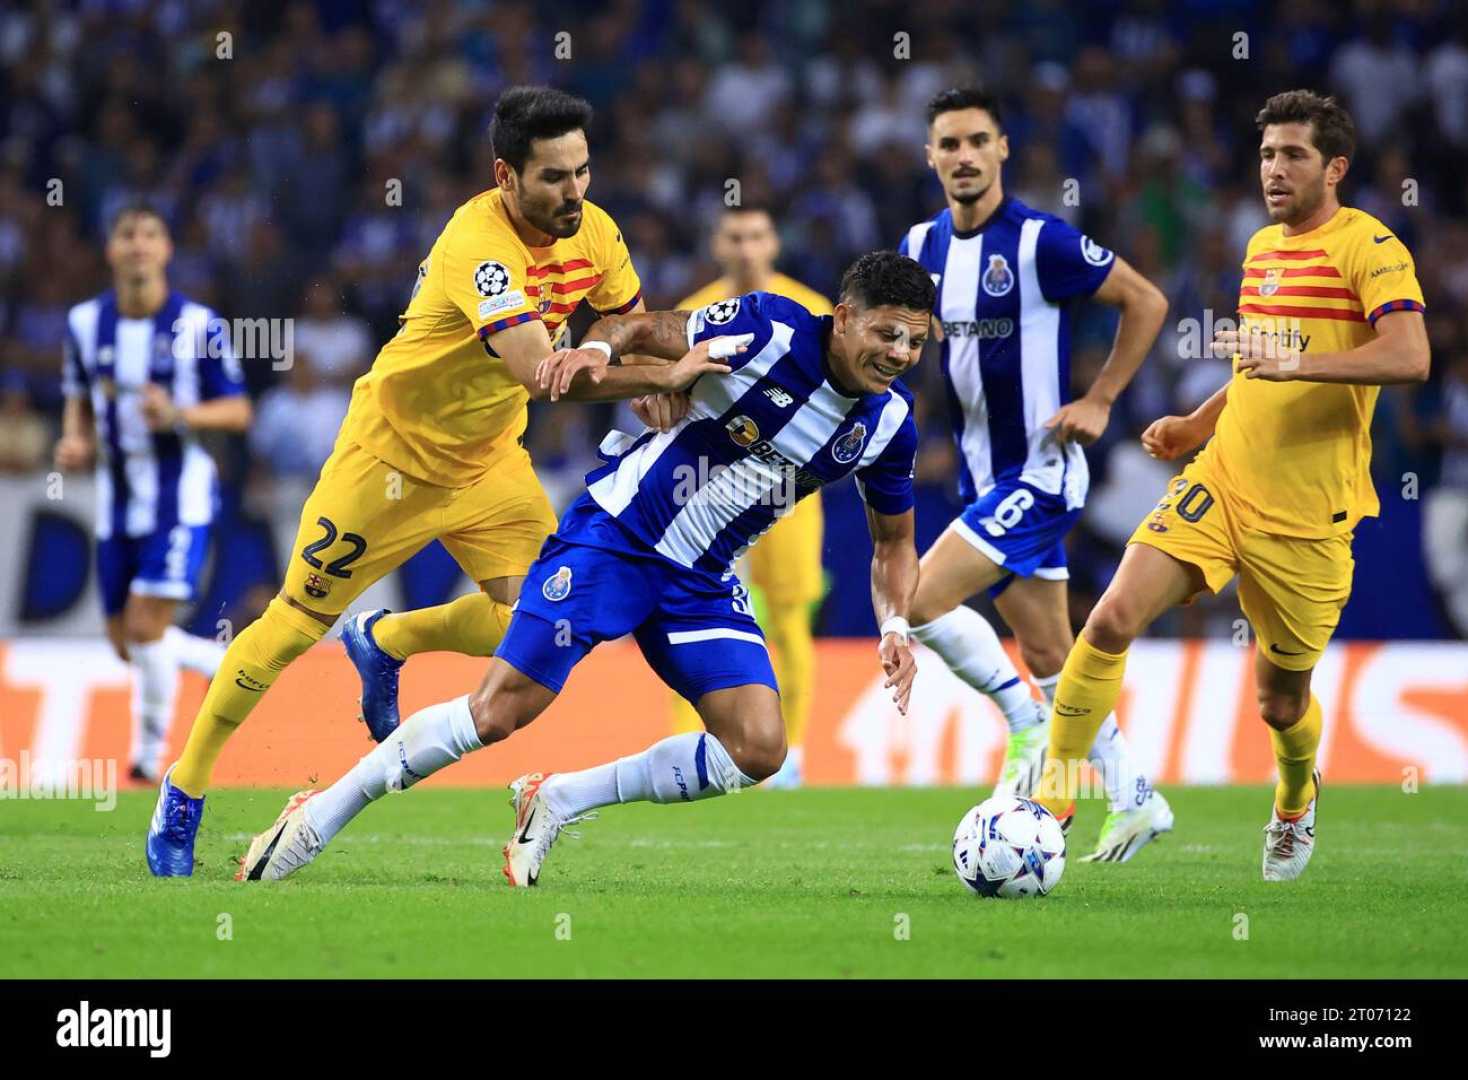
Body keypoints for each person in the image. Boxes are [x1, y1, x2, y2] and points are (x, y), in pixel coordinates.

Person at [235, 252, 932, 887]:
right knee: (499, 712)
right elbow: (644, 327)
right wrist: (604, 349)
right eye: (886, 334)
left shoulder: (889, 425)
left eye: (915, 341)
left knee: (757, 747)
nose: (899, 354)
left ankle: (560, 799)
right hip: (618, 539)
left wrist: (895, 623)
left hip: (702, 581)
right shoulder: (769, 331)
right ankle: (317, 815)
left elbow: (893, 543)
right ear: (844, 319)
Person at [148, 86, 687, 877]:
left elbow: (624, 321)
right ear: (506, 176)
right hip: (390, 461)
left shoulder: (596, 232)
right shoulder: (479, 244)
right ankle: (185, 787)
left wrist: (645, 370)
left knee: (544, 629)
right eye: (553, 178)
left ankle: (387, 638)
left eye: (582, 172)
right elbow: (542, 373)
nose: (574, 193)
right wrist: (666, 371)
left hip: (490, 462)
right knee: (292, 624)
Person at [1036, 91, 1429, 882]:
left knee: (1280, 703)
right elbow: (1259, 371)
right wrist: (1199, 421)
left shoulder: (1371, 247)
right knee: (1110, 618)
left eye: (1293, 156)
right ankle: (1050, 799)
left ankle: (1293, 799)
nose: (1274, 170)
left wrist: (1300, 361)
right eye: (1265, 155)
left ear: (1335, 168)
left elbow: (1410, 355)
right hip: (1223, 482)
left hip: (1311, 517)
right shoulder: (1261, 249)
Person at [899, 88, 1173, 862]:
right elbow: (899, 342)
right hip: (982, 481)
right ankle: (1135, 798)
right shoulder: (920, 247)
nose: (962, 156)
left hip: (1043, 475)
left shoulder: (1040, 241)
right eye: (947, 143)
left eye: (976, 141)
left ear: (1002, 149)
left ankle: (1023, 727)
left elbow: (1147, 301)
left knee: (915, 597)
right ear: (930, 156)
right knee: (1053, 655)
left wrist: (1100, 397)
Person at [53, 205, 250, 783]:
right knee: (126, 643)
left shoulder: (200, 325)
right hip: (116, 498)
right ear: (111, 250)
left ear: (167, 250)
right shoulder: (85, 323)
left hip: (178, 492)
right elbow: (78, 397)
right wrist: (74, 442)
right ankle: (219, 661)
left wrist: (180, 413)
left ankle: (147, 759)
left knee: (144, 628)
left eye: (149, 235)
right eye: (126, 235)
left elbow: (239, 411)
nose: (138, 245)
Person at [669, 203, 832, 788]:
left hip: (786, 485)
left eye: (757, 235)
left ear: (774, 243)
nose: (746, 247)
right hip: (708, 486)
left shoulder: (815, 310)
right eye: (735, 235)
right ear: (718, 243)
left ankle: (793, 753)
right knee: (684, 610)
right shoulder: (695, 313)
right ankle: (694, 742)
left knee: (789, 618)